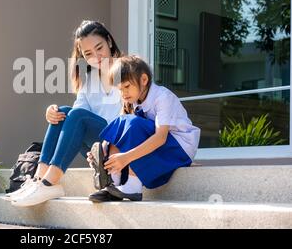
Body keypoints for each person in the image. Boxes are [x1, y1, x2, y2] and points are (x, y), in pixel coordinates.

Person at [10, 20, 123, 207]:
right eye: (88, 54)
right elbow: (74, 117)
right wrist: (52, 114)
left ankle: (49, 182)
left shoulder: (127, 70)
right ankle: (39, 179)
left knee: (76, 115)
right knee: (63, 111)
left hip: (119, 143)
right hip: (98, 148)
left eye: (99, 47)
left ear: (109, 41)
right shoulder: (90, 81)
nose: (96, 56)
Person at [88, 55, 201, 202]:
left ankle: (132, 186)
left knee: (131, 123)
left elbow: (160, 138)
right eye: (120, 89)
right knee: (122, 122)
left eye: (127, 86)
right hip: (163, 146)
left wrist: (126, 157)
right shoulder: (133, 101)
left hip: (179, 149)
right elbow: (120, 131)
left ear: (144, 80)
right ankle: (112, 182)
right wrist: (102, 153)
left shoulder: (162, 97)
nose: (123, 94)